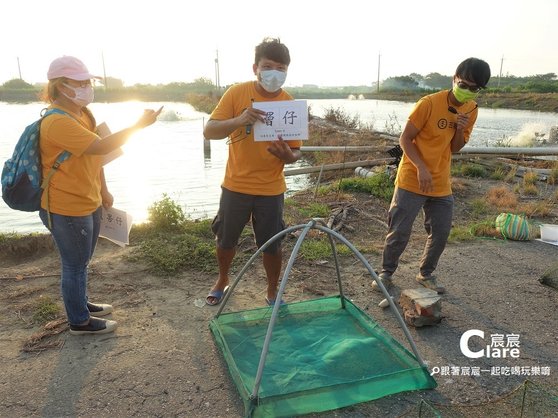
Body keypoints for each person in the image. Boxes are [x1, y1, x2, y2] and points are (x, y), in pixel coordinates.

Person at [39, 56, 162, 335]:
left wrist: (103, 190)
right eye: (80, 83)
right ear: (61, 86)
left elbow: (96, 157)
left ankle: (81, 304)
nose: (86, 87)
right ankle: (79, 322)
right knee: (73, 264)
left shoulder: (82, 114)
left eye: (88, 82)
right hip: (66, 205)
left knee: (81, 262)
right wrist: (138, 126)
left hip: (88, 199)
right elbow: (101, 145)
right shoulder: (56, 122)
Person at [373, 58, 491, 294]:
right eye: (463, 84)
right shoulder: (429, 103)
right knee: (400, 229)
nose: (467, 91)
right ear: (454, 78)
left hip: (440, 180)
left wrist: (459, 127)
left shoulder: (471, 109)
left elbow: (455, 148)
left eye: (474, 88)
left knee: (441, 231)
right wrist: (421, 167)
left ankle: (425, 273)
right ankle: (386, 273)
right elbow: (405, 139)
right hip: (412, 176)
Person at [204, 38, 302, 306]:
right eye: (268, 66)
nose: (274, 73)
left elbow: (296, 151)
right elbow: (209, 130)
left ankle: (272, 291)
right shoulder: (237, 93)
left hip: (271, 189)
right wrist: (240, 120)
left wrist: (288, 156)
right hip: (235, 185)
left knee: (272, 244)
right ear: (255, 68)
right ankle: (222, 279)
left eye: (280, 68)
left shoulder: (290, 104)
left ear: (286, 72)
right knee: (225, 239)